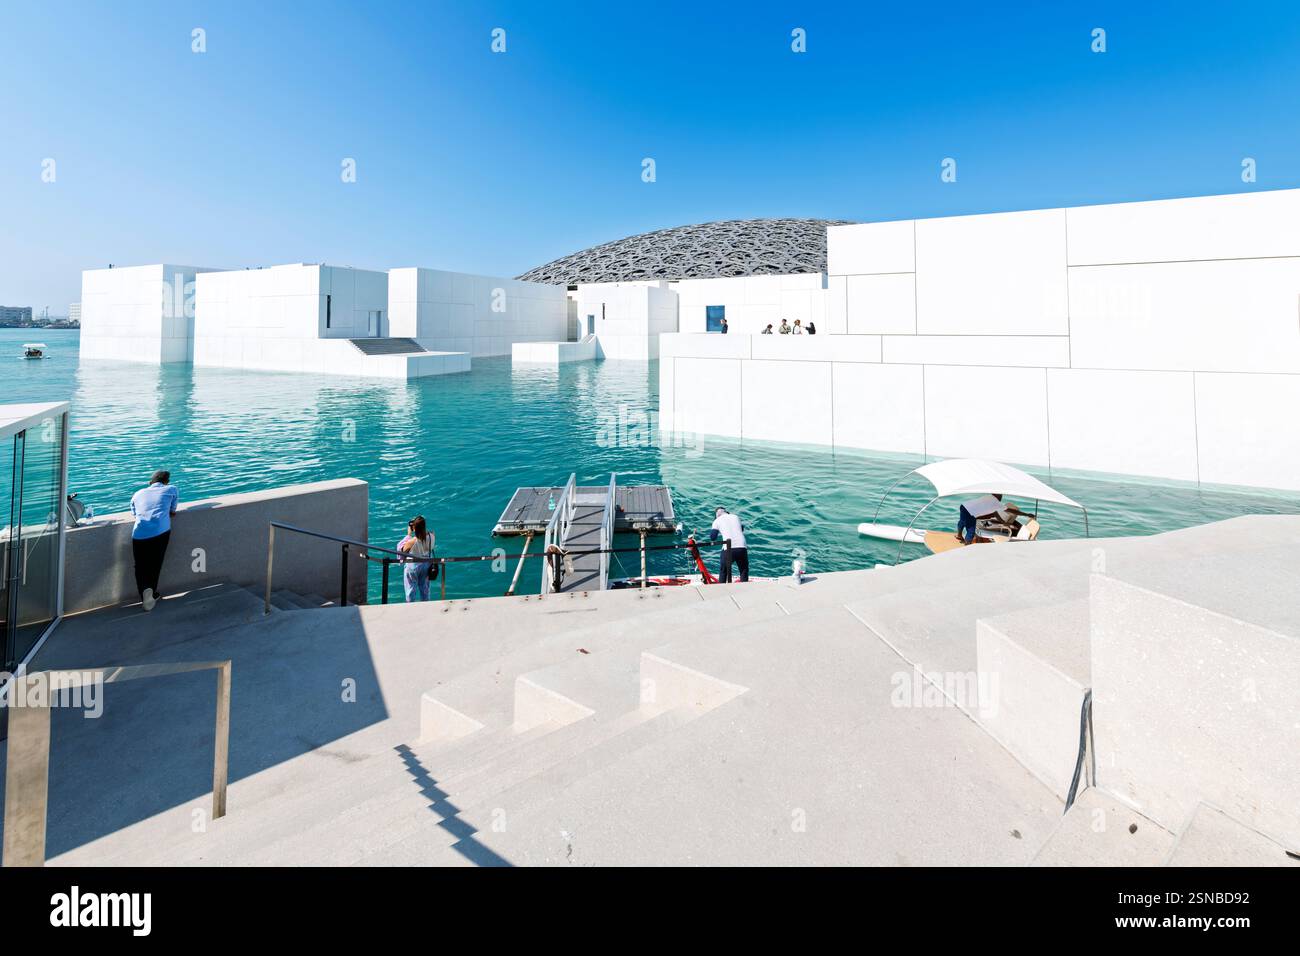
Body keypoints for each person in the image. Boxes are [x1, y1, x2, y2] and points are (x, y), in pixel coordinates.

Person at [129, 470, 179, 611]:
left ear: (150, 482)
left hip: (139, 534)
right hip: (160, 532)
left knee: (139, 566)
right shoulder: (172, 489)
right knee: (155, 563)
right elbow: (173, 510)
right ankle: (153, 592)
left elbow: (134, 513)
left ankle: (144, 592)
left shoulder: (137, 493)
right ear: (166, 482)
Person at [954, 494, 1023, 545]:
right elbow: (1008, 511)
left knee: (962, 522)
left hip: (964, 506)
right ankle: (967, 547)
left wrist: (1003, 522)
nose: (1001, 498)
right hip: (970, 512)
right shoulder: (996, 503)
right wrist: (1026, 514)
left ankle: (960, 536)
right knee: (971, 531)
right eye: (1000, 496)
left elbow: (996, 514)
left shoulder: (989, 498)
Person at [397, 515, 436, 601]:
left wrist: (408, 535)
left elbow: (402, 551)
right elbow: (429, 538)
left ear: (414, 528)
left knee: (410, 590)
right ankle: (425, 606)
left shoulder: (411, 542)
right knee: (425, 589)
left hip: (413, 567)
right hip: (426, 565)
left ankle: (411, 608)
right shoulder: (432, 536)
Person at [709, 507, 749, 583]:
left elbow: (713, 537)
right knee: (743, 570)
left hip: (728, 548)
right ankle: (744, 589)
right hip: (742, 547)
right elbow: (742, 529)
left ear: (717, 515)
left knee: (723, 571)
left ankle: (722, 591)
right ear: (726, 512)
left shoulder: (717, 521)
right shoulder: (735, 517)